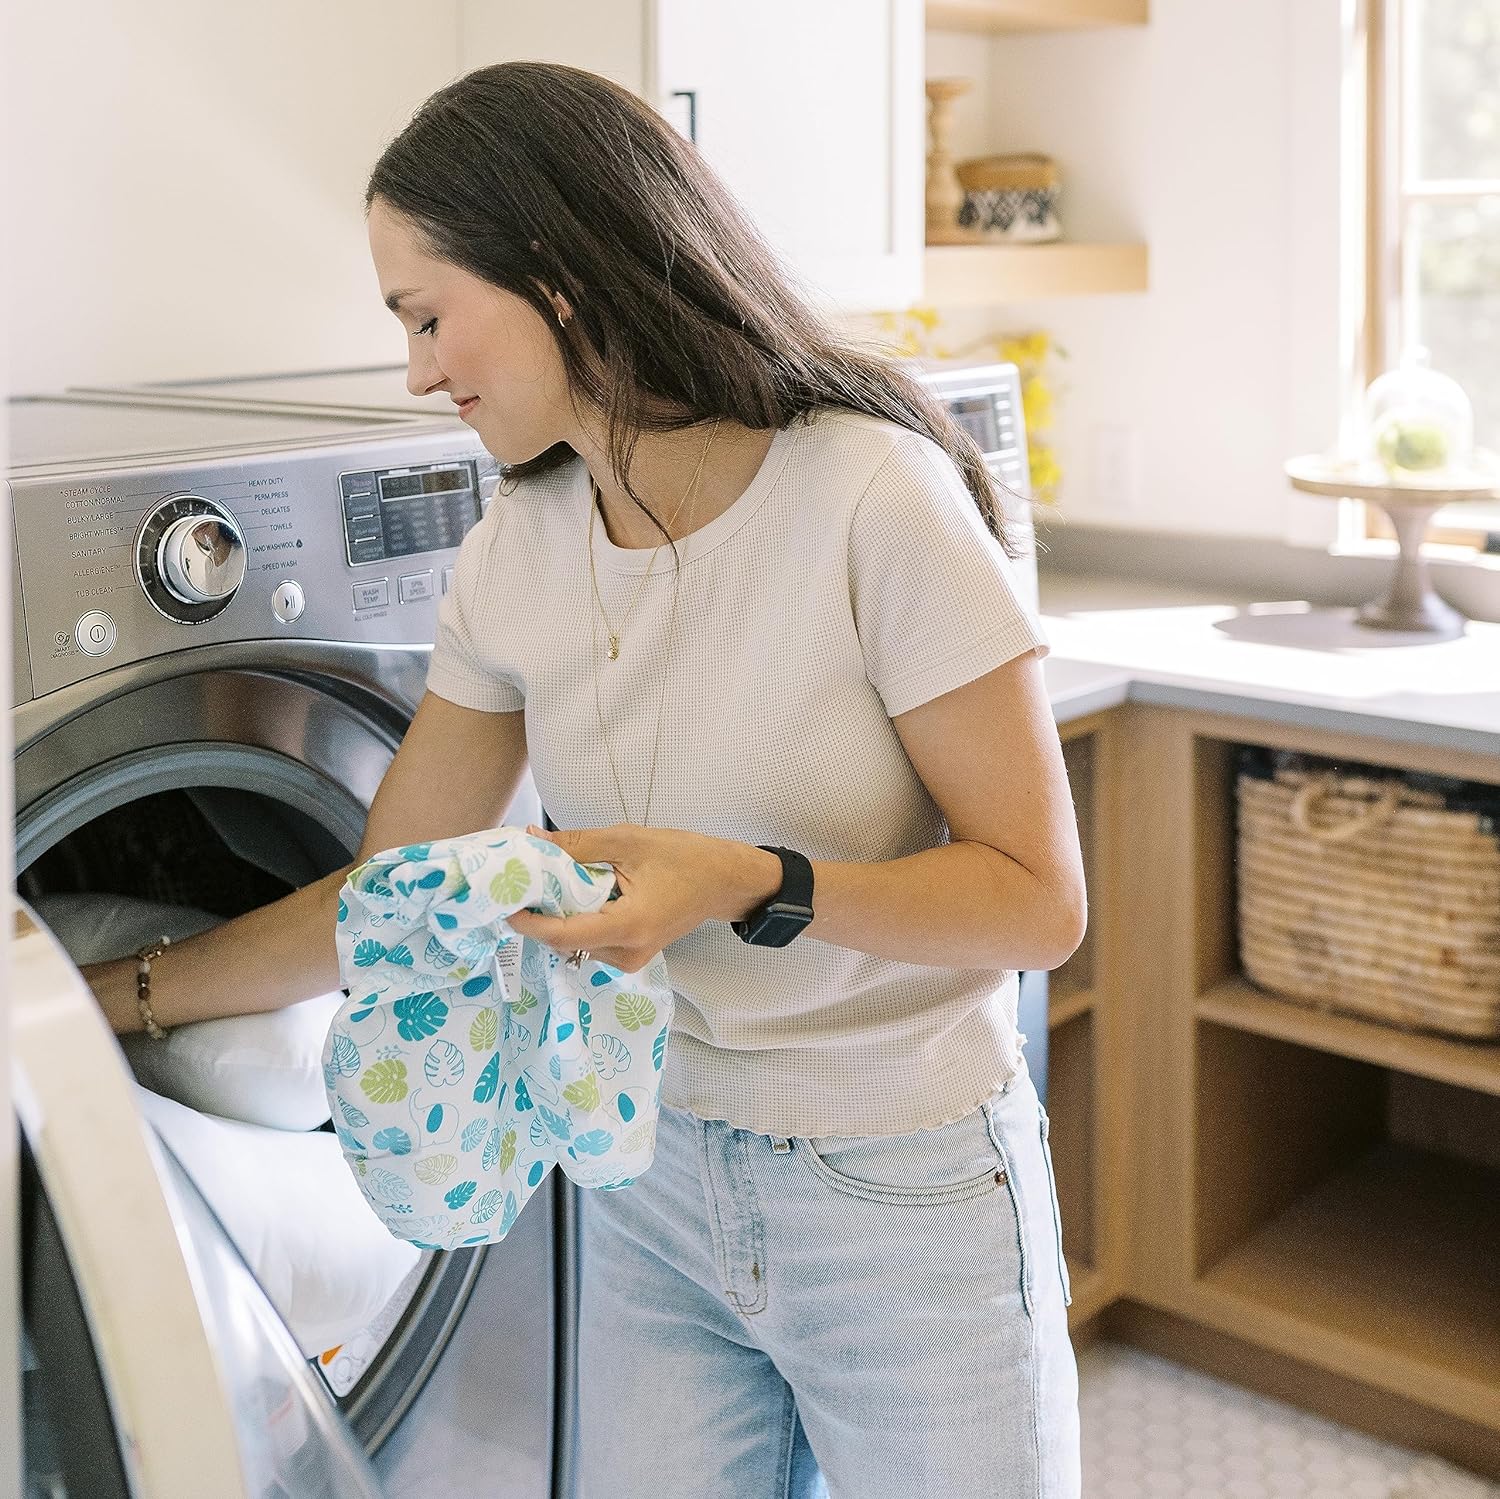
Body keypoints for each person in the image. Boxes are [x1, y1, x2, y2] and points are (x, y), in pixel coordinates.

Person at [85, 61, 1087, 1499]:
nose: (420, 369)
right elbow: (392, 896)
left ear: (556, 274)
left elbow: (1036, 903)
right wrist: (112, 996)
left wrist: (747, 882)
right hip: (652, 1173)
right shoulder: (522, 551)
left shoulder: (870, 498)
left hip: (902, 1187)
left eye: (429, 315)